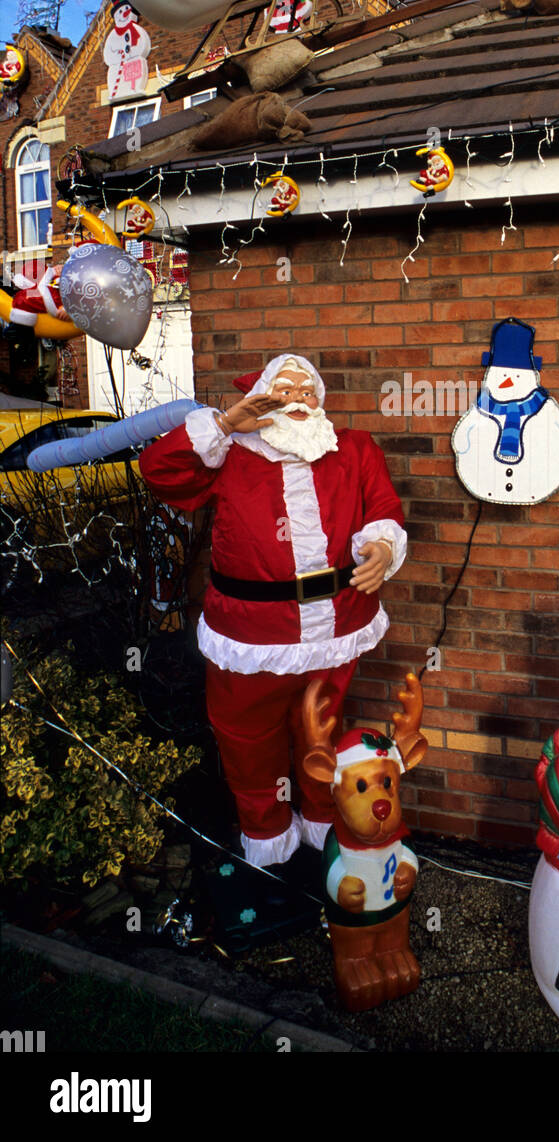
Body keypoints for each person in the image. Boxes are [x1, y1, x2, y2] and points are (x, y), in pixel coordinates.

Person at [137, 353, 406, 867]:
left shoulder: (352, 449)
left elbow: (383, 509)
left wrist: (383, 548)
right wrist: (221, 424)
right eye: (285, 390)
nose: (299, 399)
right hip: (249, 636)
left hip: (334, 628)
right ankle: (267, 837)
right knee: (248, 743)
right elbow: (159, 472)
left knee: (320, 733)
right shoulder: (229, 452)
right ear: (262, 396)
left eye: (308, 391)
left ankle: (325, 827)